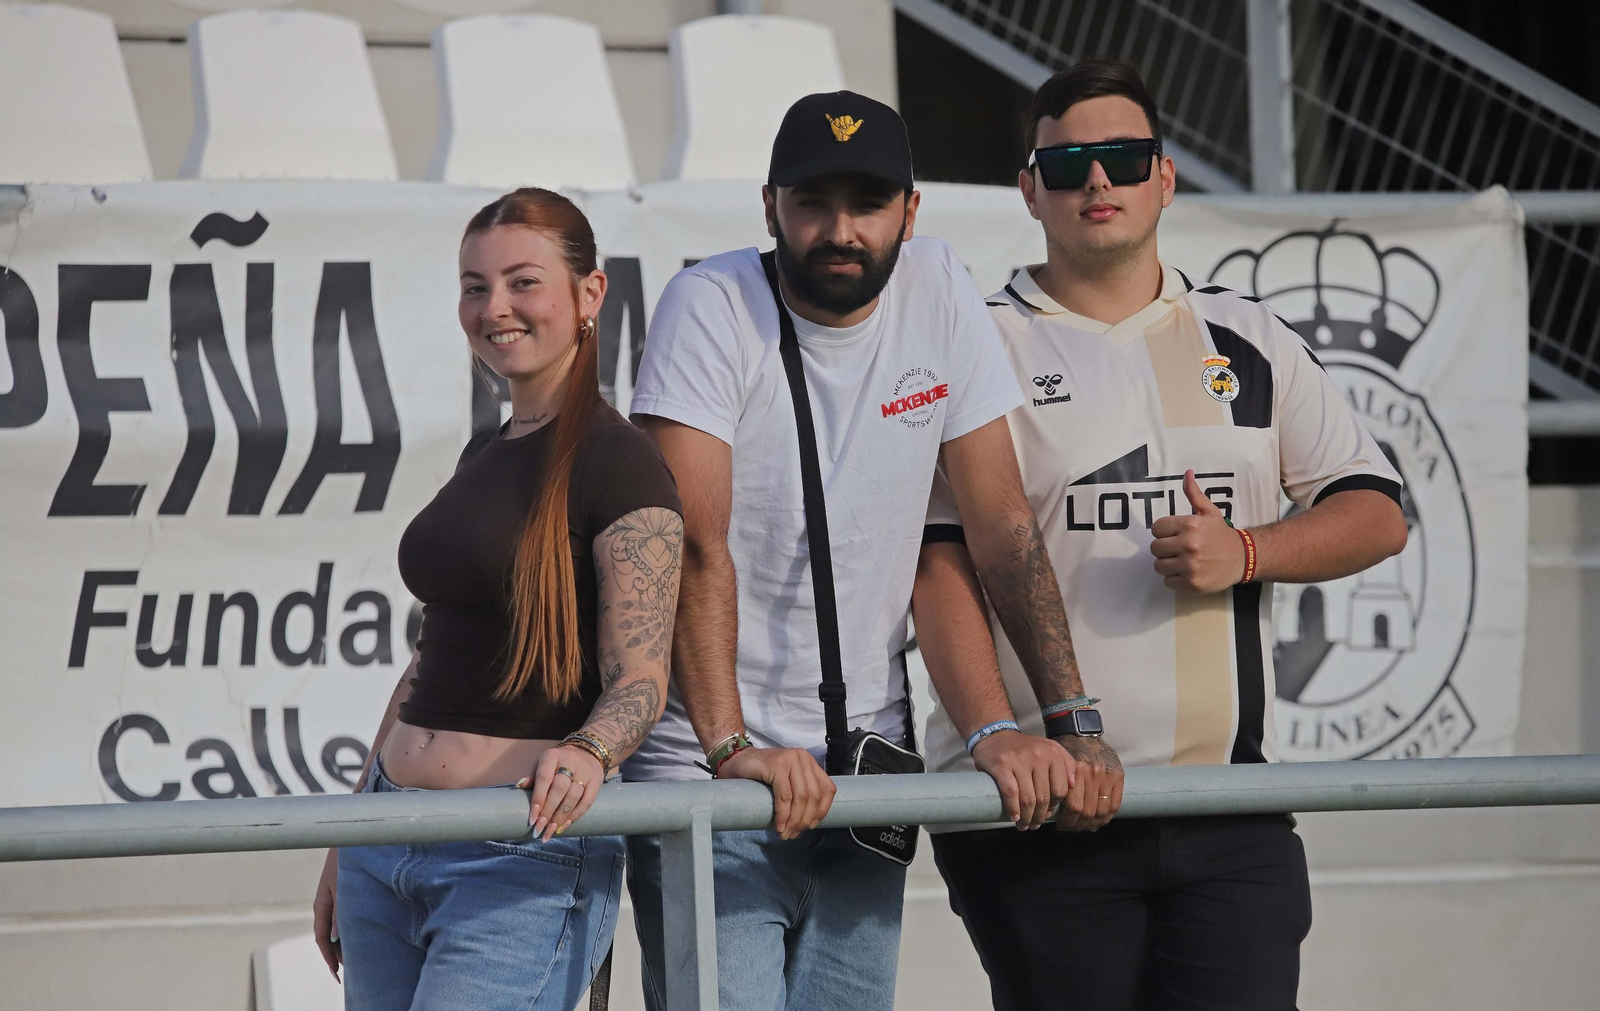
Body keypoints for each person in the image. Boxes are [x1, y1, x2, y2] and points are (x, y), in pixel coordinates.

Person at [912, 60, 1410, 1011]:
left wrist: (1252, 551)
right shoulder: (976, 343)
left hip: (1226, 809)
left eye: (1124, 158)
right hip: (1040, 812)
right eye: (1068, 165)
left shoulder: (1248, 335)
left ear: (1166, 177)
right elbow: (937, 565)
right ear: (1028, 189)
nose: (1098, 181)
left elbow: (1376, 511)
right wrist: (999, 736)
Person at [621, 91, 1121, 1011]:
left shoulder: (935, 288)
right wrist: (732, 748)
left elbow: (1000, 524)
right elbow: (694, 544)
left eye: (868, 203)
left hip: (863, 775)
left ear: (911, 210)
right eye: (813, 202)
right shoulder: (711, 301)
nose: (840, 229)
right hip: (712, 776)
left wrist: (1068, 719)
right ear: (769, 206)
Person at [309, 187, 684, 1011]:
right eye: (475, 286)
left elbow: (642, 676)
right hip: (389, 838)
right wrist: (350, 836)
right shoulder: (485, 450)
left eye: (523, 282)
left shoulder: (620, 463)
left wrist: (589, 752)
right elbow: (426, 661)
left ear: (590, 296)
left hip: (514, 857)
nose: (495, 307)